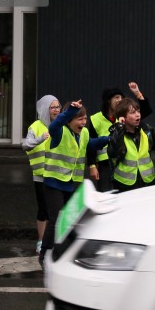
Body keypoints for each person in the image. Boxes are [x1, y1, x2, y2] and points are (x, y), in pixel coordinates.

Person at [39, 100, 108, 265]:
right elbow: (54, 125)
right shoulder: (59, 131)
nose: (83, 123)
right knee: (55, 220)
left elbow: (90, 145)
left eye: (85, 119)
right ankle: (44, 254)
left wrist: (108, 138)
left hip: (70, 182)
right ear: (69, 120)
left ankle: (66, 251)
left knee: (69, 220)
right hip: (54, 182)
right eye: (80, 119)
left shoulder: (83, 133)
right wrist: (69, 111)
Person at [87, 83, 152, 192]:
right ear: (108, 100)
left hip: (120, 161)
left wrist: (138, 94)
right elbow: (90, 144)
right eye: (116, 97)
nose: (119, 100)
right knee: (105, 193)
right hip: (104, 164)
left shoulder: (125, 116)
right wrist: (92, 165)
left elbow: (145, 111)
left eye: (121, 97)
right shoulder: (95, 119)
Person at [108, 98, 155, 192]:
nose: (138, 114)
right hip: (124, 183)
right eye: (133, 112)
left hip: (147, 180)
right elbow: (113, 152)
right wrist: (119, 128)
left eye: (138, 111)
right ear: (123, 117)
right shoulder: (116, 132)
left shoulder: (146, 130)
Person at [22, 95, 58, 254]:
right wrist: (39, 139)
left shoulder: (60, 126)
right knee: (43, 209)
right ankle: (41, 241)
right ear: (45, 109)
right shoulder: (35, 126)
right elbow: (25, 145)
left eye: (58, 107)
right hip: (40, 176)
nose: (56, 110)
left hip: (57, 174)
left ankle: (54, 240)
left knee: (55, 209)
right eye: (53, 107)